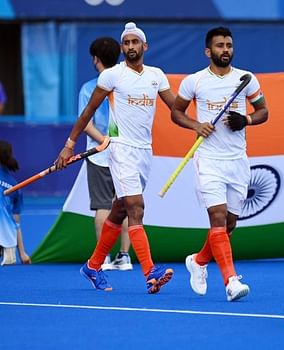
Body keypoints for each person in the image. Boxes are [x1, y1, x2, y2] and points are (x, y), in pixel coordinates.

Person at [55, 22, 176, 294]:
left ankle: (93, 265)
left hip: (144, 152)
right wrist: (68, 145)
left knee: (120, 209)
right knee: (136, 207)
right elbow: (86, 114)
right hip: (119, 149)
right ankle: (150, 272)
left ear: (145, 46)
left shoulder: (156, 76)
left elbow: (176, 109)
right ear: (122, 47)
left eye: (136, 42)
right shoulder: (111, 76)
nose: (131, 46)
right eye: (127, 42)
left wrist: (195, 123)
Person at [171, 27, 269, 302]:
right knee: (217, 217)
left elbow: (264, 112)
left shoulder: (246, 79)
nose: (225, 49)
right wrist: (195, 125)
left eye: (228, 45)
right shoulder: (194, 81)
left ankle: (199, 261)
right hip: (208, 159)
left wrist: (246, 120)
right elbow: (176, 112)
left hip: (237, 160)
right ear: (208, 51)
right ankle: (231, 281)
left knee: (230, 224)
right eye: (219, 46)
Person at [79, 37, 132, 271]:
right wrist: (115, 141)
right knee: (126, 204)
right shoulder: (128, 83)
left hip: (99, 155)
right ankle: (124, 256)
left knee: (103, 206)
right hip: (125, 154)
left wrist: (104, 142)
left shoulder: (90, 88)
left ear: (95, 59)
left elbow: (86, 123)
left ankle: (104, 259)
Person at [0, 140, 31, 265]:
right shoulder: (14, 186)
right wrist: (22, 253)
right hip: (8, 241)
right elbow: (15, 222)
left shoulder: (15, 188)